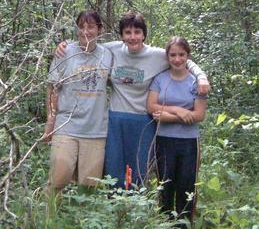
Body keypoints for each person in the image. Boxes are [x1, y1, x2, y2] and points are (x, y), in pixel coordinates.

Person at [57, 11, 210, 188]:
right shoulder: (111, 50)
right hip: (116, 120)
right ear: (121, 35)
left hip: (143, 121)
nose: (133, 37)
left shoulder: (157, 56)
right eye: (128, 33)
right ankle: (115, 208)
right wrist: (65, 45)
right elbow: (86, 44)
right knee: (114, 168)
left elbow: (183, 58)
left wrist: (201, 76)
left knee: (139, 168)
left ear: (144, 34)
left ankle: (134, 209)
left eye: (137, 32)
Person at [42, 10, 113, 191]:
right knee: (58, 180)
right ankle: (50, 218)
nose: (85, 32)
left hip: (96, 130)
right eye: (81, 27)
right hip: (66, 126)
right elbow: (52, 88)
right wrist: (50, 121)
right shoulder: (65, 52)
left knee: (89, 187)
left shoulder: (108, 54)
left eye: (90, 27)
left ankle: (82, 220)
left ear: (99, 29)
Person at [147, 36, 206, 223]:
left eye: (181, 54)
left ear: (187, 56)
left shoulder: (196, 82)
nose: (177, 59)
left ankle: (184, 223)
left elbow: (199, 115)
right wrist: (179, 111)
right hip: (164, 140)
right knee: (165, 186)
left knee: (186, 186)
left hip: (189, 142)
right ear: (167, 56)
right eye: (173, 55)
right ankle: (165, 223)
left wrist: (166, 116)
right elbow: (151, 106)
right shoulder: (160, 79)